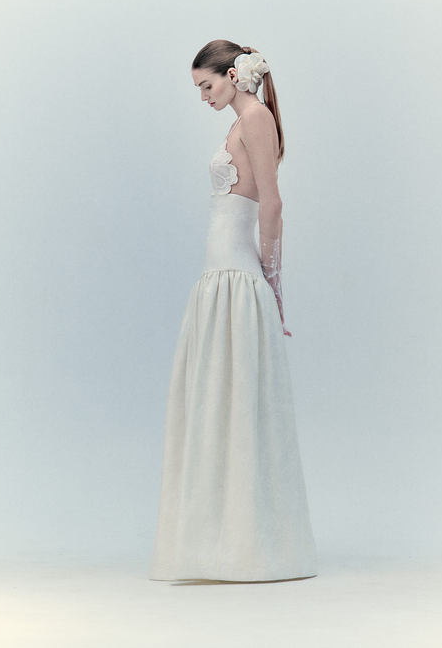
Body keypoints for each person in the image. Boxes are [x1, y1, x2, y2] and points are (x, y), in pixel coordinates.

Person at [149, 40, 317, 582]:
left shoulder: (257, 118)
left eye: (207, 85)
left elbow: (272, 203)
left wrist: (273, 282)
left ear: (232, 74)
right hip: (216, 280)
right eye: (199, 88)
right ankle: (216, 545)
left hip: (239, 280)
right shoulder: (240, 121)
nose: (203, 97)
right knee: (215, 407)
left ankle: (251, 549)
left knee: (238, 406)